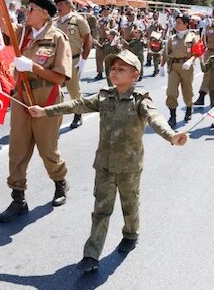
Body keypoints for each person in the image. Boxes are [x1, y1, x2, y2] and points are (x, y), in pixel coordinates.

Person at [27, 50, 188, 273]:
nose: (114, 72)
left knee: (129, 205)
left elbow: (155, 119)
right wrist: (45, 111)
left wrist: (171, 136)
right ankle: (91, 255)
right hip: (104, 165)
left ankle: (131, 233)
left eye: (121, 69)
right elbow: (77, 105)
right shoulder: (104, 97)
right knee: (101, 210)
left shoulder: (140, 100)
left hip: (129, 167)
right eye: (113, 68)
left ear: (135, 75)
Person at [0, 0, 72, 223]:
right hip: (22, 97)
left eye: (32, 9)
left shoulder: (57, 38)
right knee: (17, 148)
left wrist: (32, 67)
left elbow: (60, 77)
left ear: (44, 13)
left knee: (47, 149)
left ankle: (60, 183)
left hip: (46, 97)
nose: (26, 13)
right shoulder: (22, 34)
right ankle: (18, 198)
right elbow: (1, 23)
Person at [55, 0, 92, 129]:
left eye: (61, 5)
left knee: (74, 90)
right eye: (57, 5)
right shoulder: (56, 22)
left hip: (73, 60)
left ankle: (78, 114)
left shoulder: (78, 20)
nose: (58, 8)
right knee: (55, 89)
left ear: (68, 5)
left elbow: (88, 39)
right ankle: (55, 115)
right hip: (58, 61)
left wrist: (83, 60)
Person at [165, 14, 199, 127]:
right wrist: (161, 66)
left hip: (186, 67)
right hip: (174, 66)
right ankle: (172, 116)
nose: (176, 24)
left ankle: (189, 107)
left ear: (186, 24)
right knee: (171, 91)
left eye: (179, 22)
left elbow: (197, 53)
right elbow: (166, 53)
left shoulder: (192, 37)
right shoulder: (172, 38)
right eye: (176, 22)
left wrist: (190, 61)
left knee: (187, 91)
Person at [94, 7, 118, 80]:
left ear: (108, 12)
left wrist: (108, 29)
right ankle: (100, 72)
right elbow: (97, 29)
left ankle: (111, 71)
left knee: (109, 57)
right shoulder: (100, 20)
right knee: (99, 57)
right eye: (103, 11)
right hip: (101, 39)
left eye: (106, 11)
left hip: (108, 40)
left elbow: (114, 30)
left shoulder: (111, 20)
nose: (104, 13)